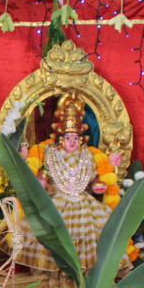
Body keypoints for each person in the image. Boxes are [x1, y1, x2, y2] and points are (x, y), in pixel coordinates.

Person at [14, 92, 129, 272]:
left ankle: (86, 270)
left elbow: (96, 182)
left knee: (94, 234)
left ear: (81, 139)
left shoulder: (89, 155)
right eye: (68, 137)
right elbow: (43, 177)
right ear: (61, 138)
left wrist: (99, 184)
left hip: (84, 203)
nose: (72, 141)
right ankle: (51, 267)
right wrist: (41, 181)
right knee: (50, 232)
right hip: (57, 201)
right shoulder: (50, 153)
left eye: (76, 138)